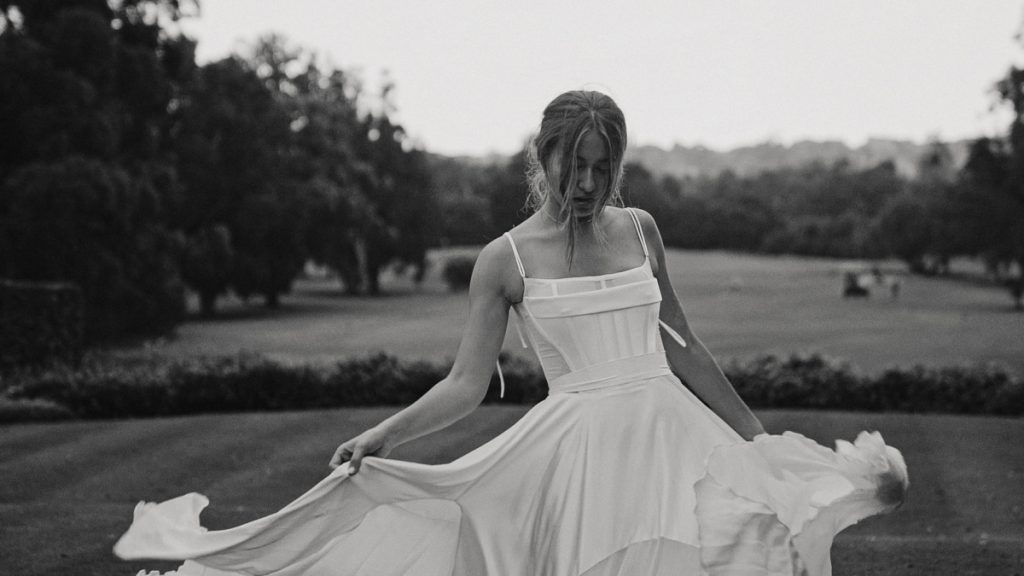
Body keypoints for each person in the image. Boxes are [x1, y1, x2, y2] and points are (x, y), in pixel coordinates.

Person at [115, 90, 908, 576]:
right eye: (576, 165)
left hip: (671, 437)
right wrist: (385, 434)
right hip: (578, 456)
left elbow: (684, 347)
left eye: (603, 166)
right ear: (546, 157)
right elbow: (468, 381)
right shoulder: (503, 259)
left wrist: (760, 446)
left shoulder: (642, 230)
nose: (589, 184)